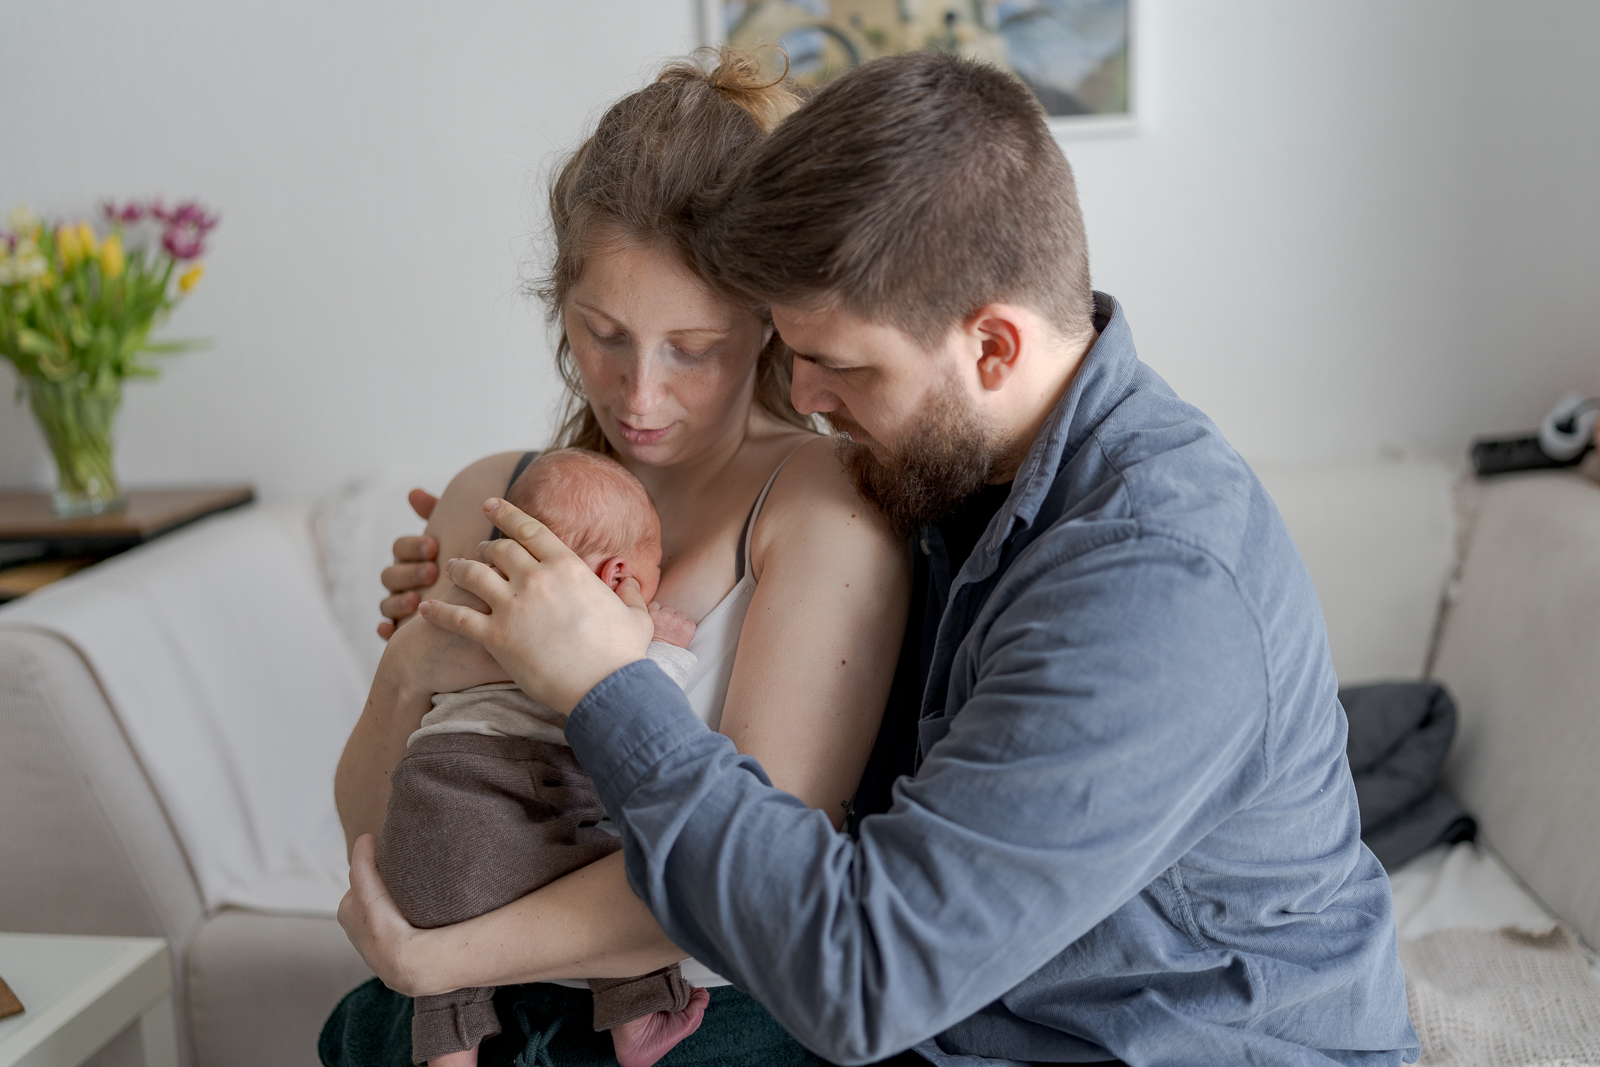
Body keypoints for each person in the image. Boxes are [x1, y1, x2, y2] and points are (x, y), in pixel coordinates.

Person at [351, 52, 1421, 1067]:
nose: (805, 398)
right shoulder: (953, 477)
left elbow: (863, 972)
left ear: (992, 347)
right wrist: (455, 626)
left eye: (836, 364)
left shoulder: (1155, 584)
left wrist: (599, 683)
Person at [324, 50, 911, 1067]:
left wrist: (441, 961)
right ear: (559, 306)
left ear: (768, 328)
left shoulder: (823, 504)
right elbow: (382, 822)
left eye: (694, 347)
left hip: (698, 1014)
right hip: (479, 1007)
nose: (639, 396)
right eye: (604, 334)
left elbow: (757, 872)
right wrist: (409, 668)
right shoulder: (492, 492)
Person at [376, 449, 711, 1067]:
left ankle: (450, 1052)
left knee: (444, 926)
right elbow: (634, 698)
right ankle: (637, 1017)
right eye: (652, 567)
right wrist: (665, 642)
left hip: (421, 810)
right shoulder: (599, 622)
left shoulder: (475, 604)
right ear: (616, 576)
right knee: (621, 850)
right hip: (507, 795)